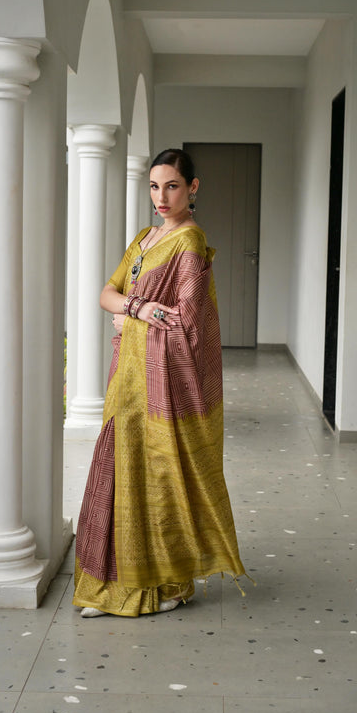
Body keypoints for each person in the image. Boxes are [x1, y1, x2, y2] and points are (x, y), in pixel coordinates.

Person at [73, 148, 246, 617]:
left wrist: (128, 319)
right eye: (154, 186)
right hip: (126, 378)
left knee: (158, 475)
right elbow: (106, 293)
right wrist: (138, 309)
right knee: (120, 468)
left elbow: (186, 325)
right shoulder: (146, 238)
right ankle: (112, 584)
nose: (161, 196)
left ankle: (169, 584)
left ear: (193, 187)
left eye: (171, 185)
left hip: (159, 382)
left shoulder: (189, 243)